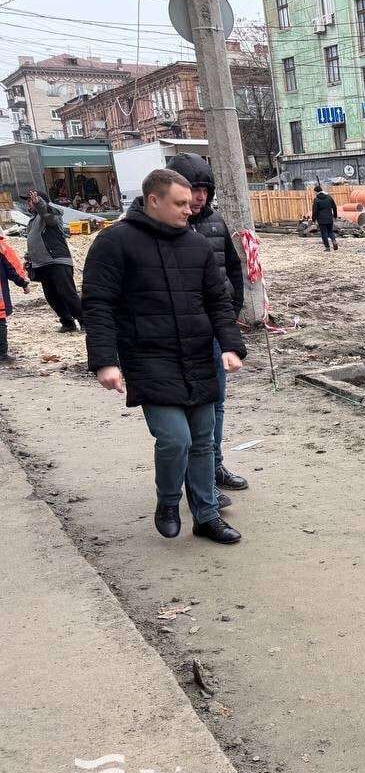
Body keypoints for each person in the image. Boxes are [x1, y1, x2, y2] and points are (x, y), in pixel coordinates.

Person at [81, 168, 247, 545]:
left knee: (204, 441)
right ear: (153, 201)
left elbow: (217, 301)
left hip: (198, 356)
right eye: (181, 203)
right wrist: (105, 360)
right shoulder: (115, 243)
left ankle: (206, 516)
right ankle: (168, 502)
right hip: (150, 359)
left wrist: (231, 345)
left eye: (190, 203)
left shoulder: (196, 245)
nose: (190, 210)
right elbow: (98, 305)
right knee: (175, 439)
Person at [166, 152, 251, 495]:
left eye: (205, 189)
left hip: (214, 331)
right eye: (193, 188)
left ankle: (213, 465)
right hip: (179, 335)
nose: (199, 196)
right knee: (189, 409)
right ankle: (194, 478)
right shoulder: (166, 229)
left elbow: (233, 268)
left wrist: (233, 310)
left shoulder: (216, 224)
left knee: (216, 402)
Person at [24, 190, 83, 332]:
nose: (29, 203)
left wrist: (39, 203)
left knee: (67, 293)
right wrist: (28, 257)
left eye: (31, 200)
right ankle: (67, 322)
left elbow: (49, 216)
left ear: (41, 201)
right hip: (42, 263)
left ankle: (85, 320)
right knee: (51, 295)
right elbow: (34, 240)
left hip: (57, 260)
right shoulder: (32, 221)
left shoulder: (52, 214)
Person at [0, 232, 32, 362]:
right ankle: (1, 353)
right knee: (0, 321)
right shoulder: (2, 247)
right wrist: (23, 283)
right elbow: (12, 267)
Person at [311, 184, 338, 252]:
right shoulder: (329, 197)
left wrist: (313, 219)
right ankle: (334, 240)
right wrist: (335, 215)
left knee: (324, 233)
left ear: (316, 192)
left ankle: (327, 247)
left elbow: (314, 211)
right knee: (330, 231)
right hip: (329, 217)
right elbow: (334, 207)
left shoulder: (316, 199)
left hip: (321, 219)